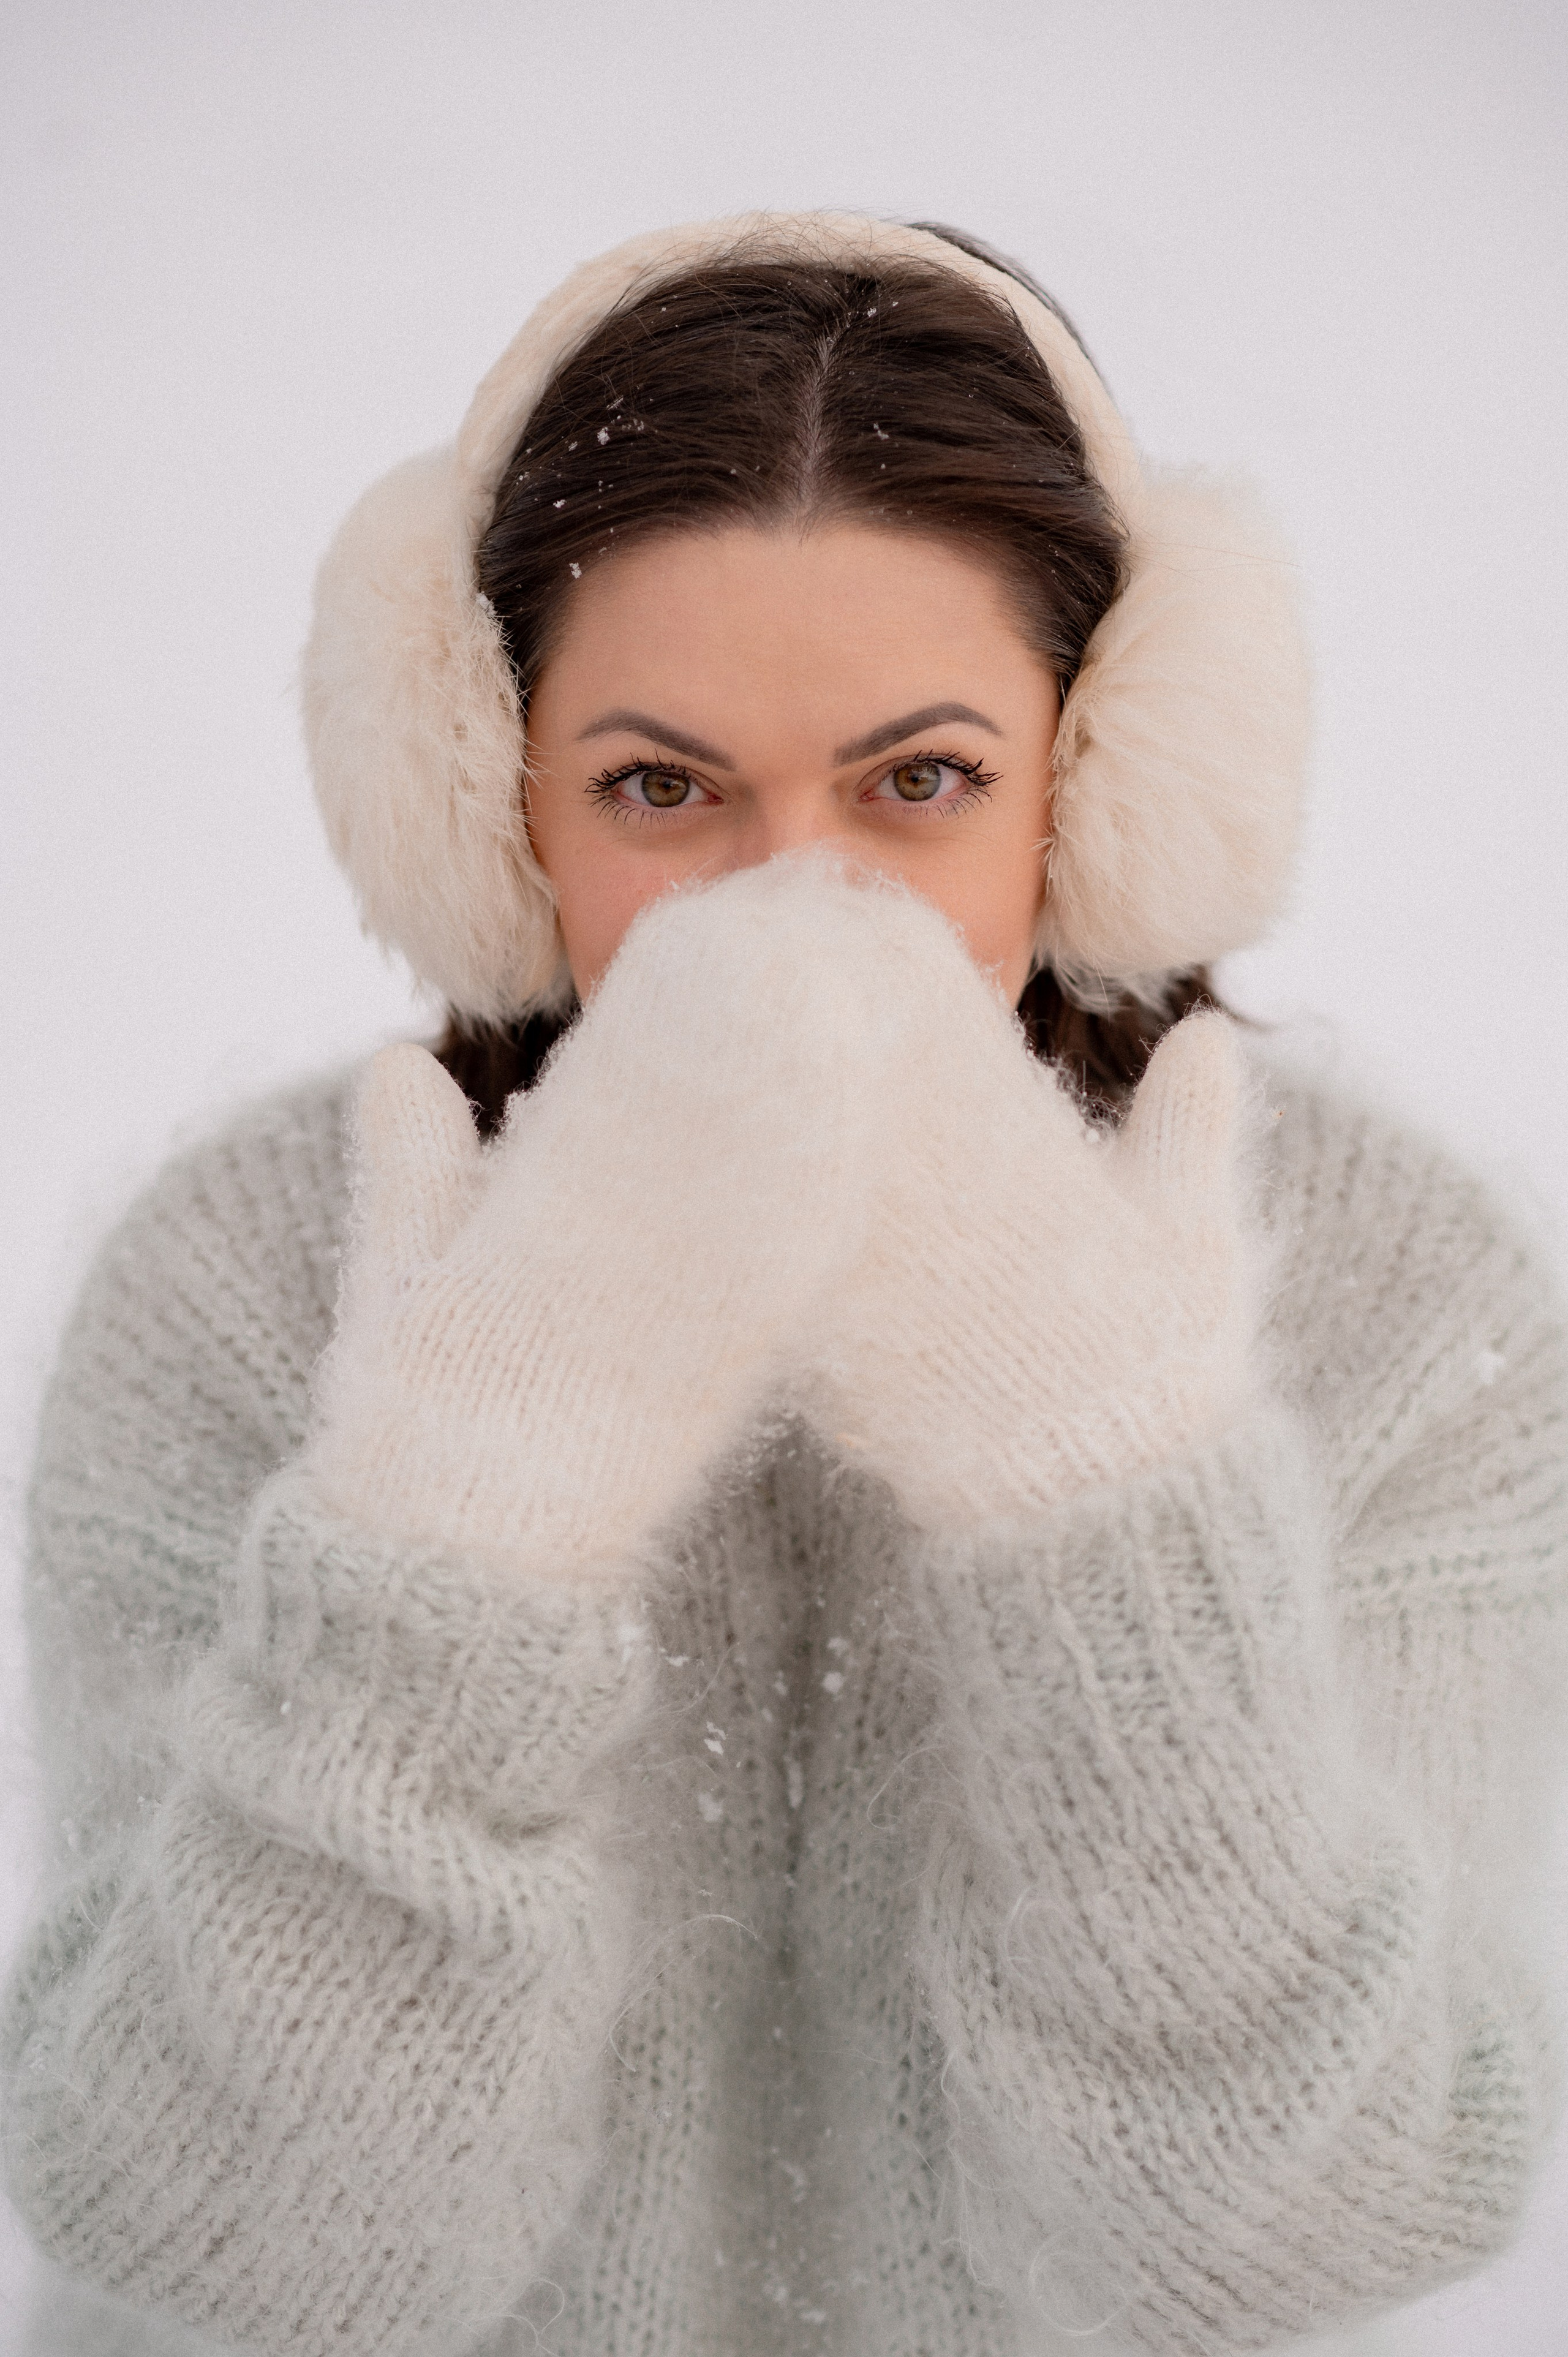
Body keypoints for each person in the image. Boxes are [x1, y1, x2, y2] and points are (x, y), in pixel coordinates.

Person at [4, 211, 1565, 2357]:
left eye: (923, 782)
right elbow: (225, 2254)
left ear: (1096, 789)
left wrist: (1103, 1495)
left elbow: (1314, 2229)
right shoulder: (252, 1295)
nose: (790, 905)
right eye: (662, 788)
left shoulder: (1389, 1307)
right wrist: (459, 1517)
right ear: (491, 807)